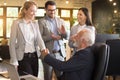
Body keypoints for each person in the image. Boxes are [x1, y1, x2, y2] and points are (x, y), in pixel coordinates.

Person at [9, 1, 46, 77]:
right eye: (32, 11)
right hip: (23, 57)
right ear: (25, 10)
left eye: (35, 11)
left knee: (34, 77)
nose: (34, 13)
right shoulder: (16, 23)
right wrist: (14, 60)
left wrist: (44, 49)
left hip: (34, 57)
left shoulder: (35, 24)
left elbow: (39, 39)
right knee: (28, 78)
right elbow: (12, 43)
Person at [38, 1, 67, 80]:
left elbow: (66, 37)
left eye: (54, 10)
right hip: (48, 54)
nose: (52, 12)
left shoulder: (61, 21)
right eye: (50, 10)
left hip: (60, 55)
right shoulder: (41, 21)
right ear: (46, 10)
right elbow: (39, 39)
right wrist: (51, 37)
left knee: (62, 77)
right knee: (48, 77)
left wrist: (64, 33)